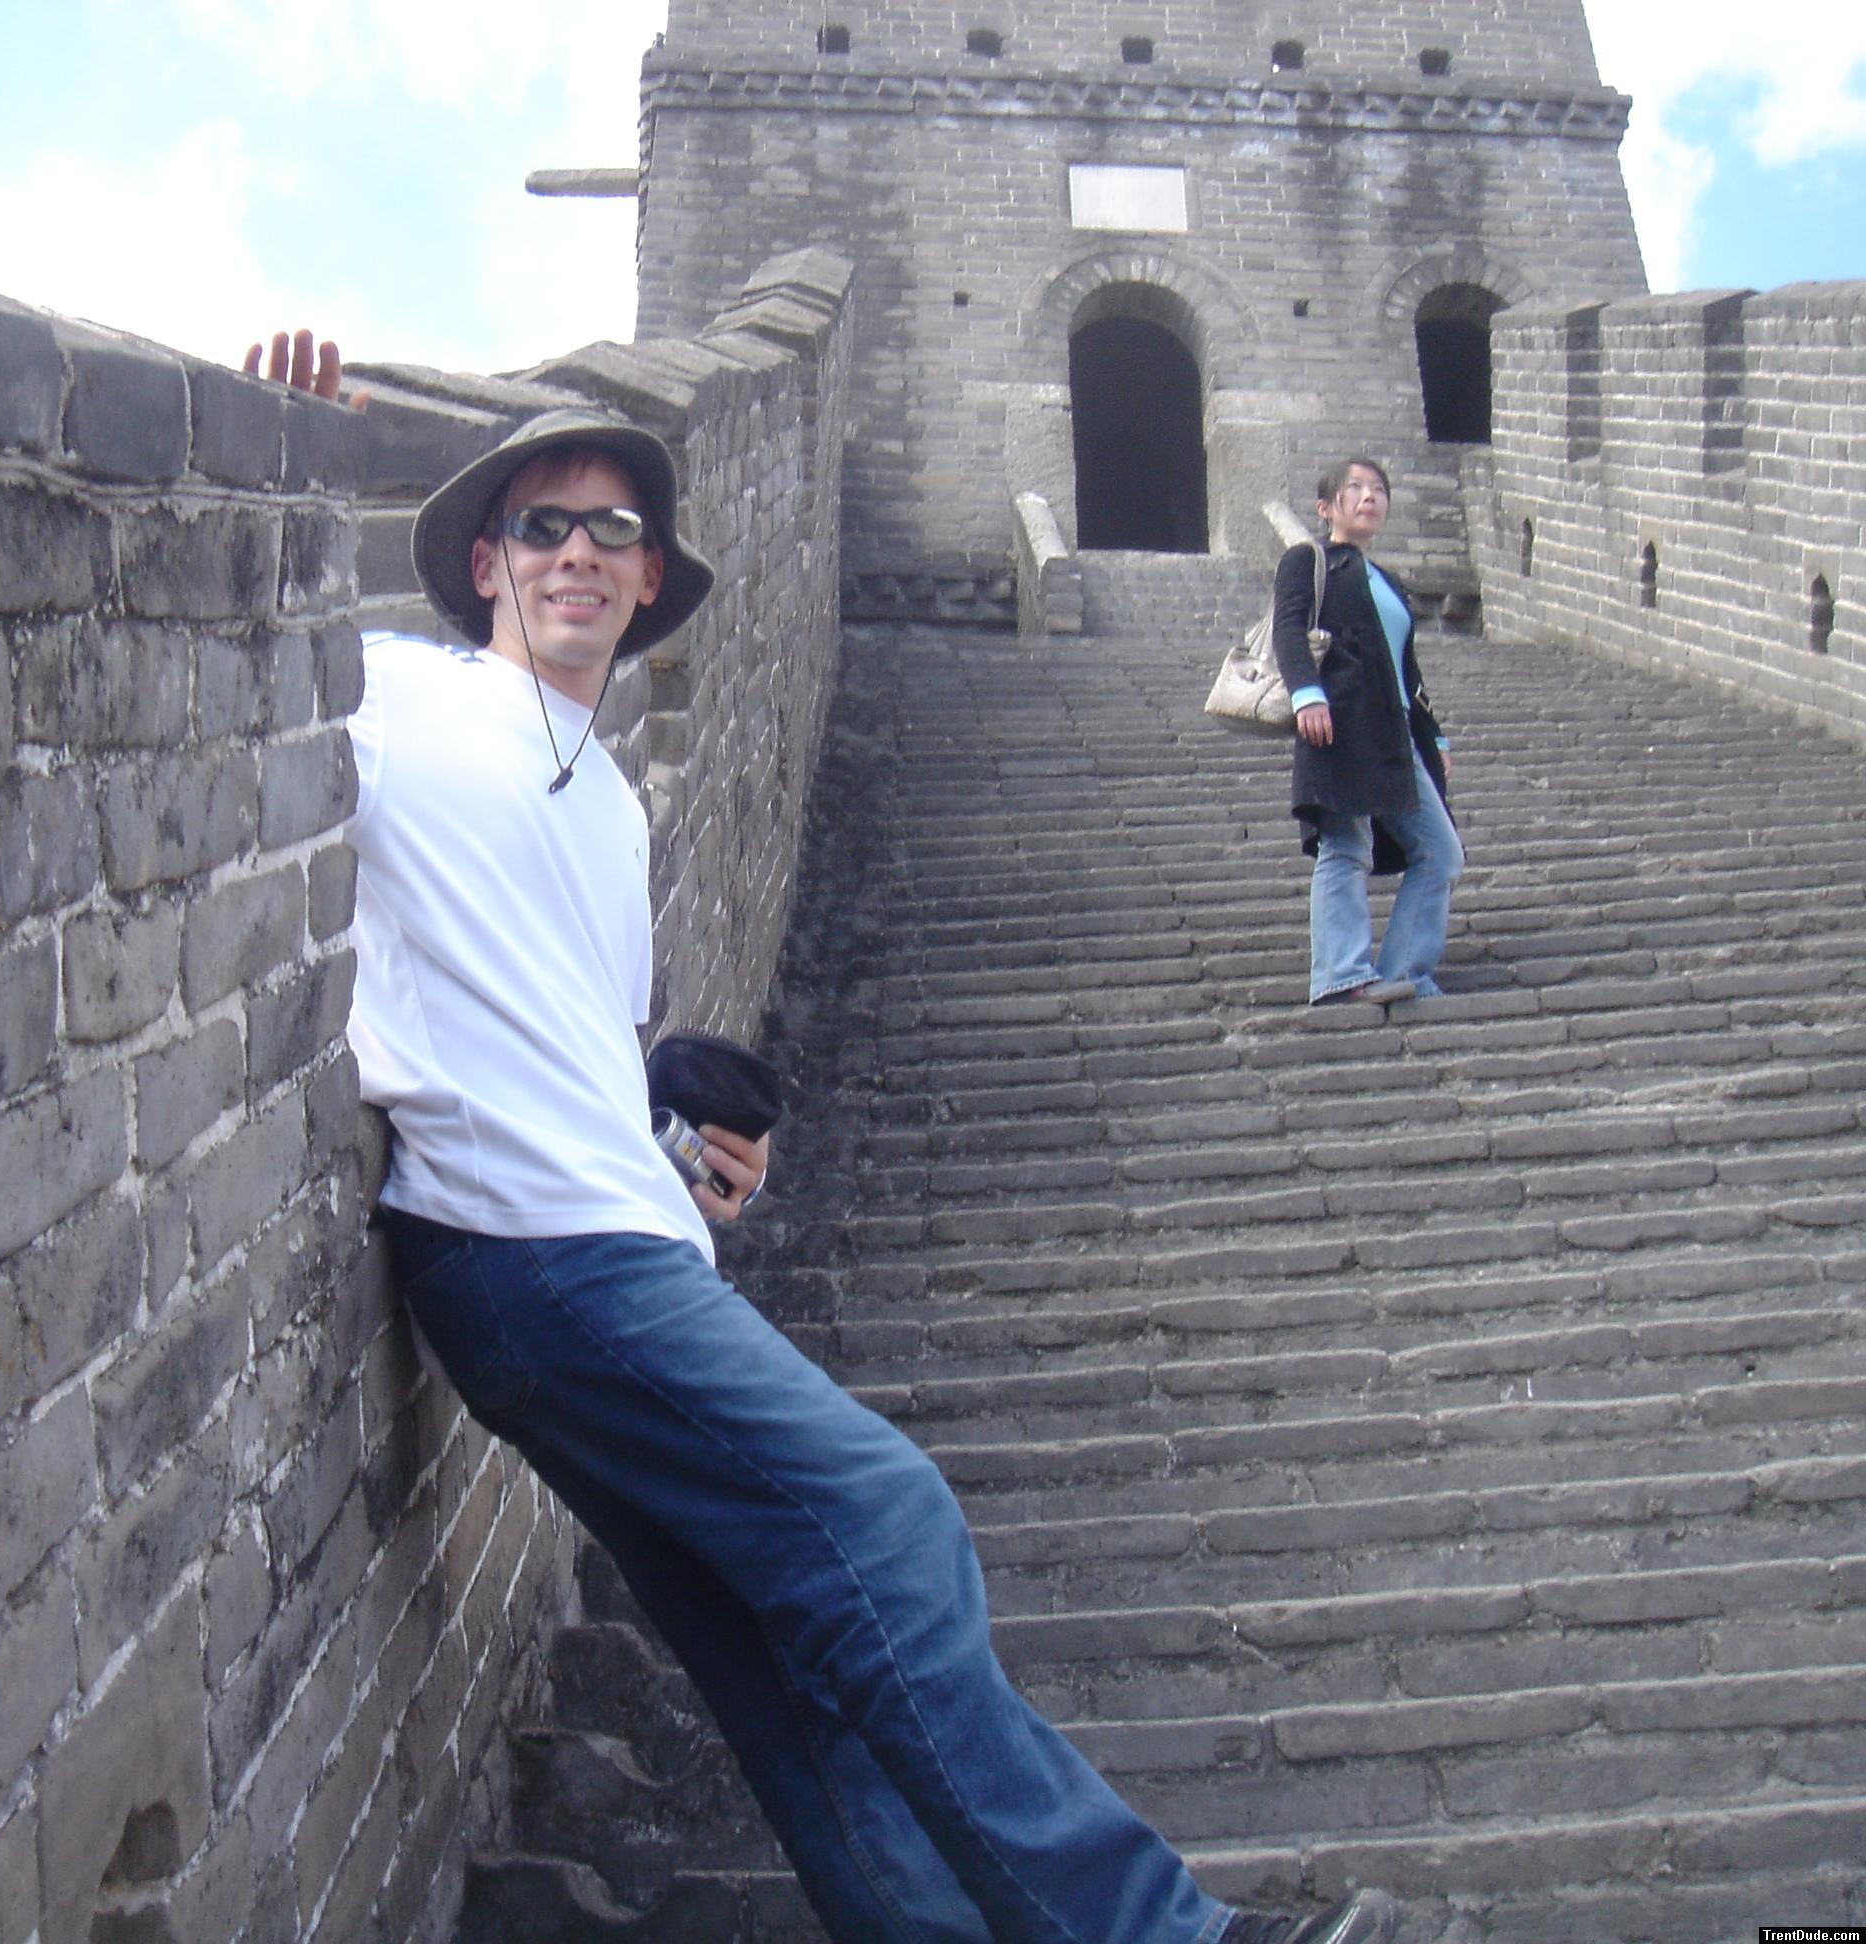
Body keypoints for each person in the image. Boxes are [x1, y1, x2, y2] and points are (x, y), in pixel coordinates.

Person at [253, 342, 1400, 1944]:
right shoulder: (403, 694)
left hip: (602, 1242)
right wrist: (278, 444)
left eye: (610, 530)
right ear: (479, 565)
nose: (577, 550)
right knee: (887, 1517)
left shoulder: (620, 801)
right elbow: (236, 655)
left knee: (786, 1663)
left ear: (651, 579)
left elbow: (548, 1034)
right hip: (528, 1255)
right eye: (541, 527)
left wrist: (679, 1149)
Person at [1273, 459, 1463, 1007]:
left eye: (1378, 489)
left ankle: (1404, 972)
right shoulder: (1308, 561)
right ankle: (1339, 973)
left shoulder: (1388, 582)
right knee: (1346, 843)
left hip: (1398, 734)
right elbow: (1289, 627)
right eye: (1353, 488)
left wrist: (1435, 737)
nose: (1368, 497)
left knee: (1441, 852)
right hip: (1340, 722)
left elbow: (1407, 669)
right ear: (1326, 507)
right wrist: (1307, 693)